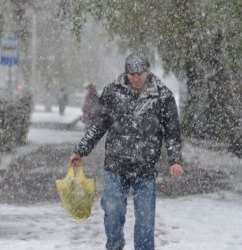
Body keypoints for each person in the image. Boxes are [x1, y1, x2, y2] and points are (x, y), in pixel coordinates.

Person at [68, 53, 183, 250]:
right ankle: (114, 245)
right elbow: (98, 125)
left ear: (147, 72)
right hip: (116, 165)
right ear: (126, 74)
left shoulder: (162, 96)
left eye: (140, 74)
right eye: (132, 75)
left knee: (145, 223)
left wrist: (175, 160)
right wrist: (80, 150)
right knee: (112, 212)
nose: (136, 78)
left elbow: (172, 131)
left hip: (146, 168)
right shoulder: (113, 93)